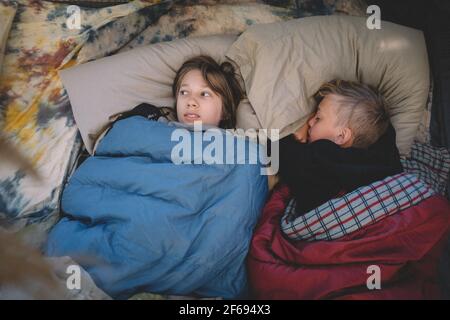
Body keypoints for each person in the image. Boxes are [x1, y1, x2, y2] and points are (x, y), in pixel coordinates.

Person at [277, 79, 403, 218]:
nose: (310, 122)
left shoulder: (321, 157)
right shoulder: (385, 151)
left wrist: (291, 136)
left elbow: (281, 153)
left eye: (318, 118)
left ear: (341, 136)